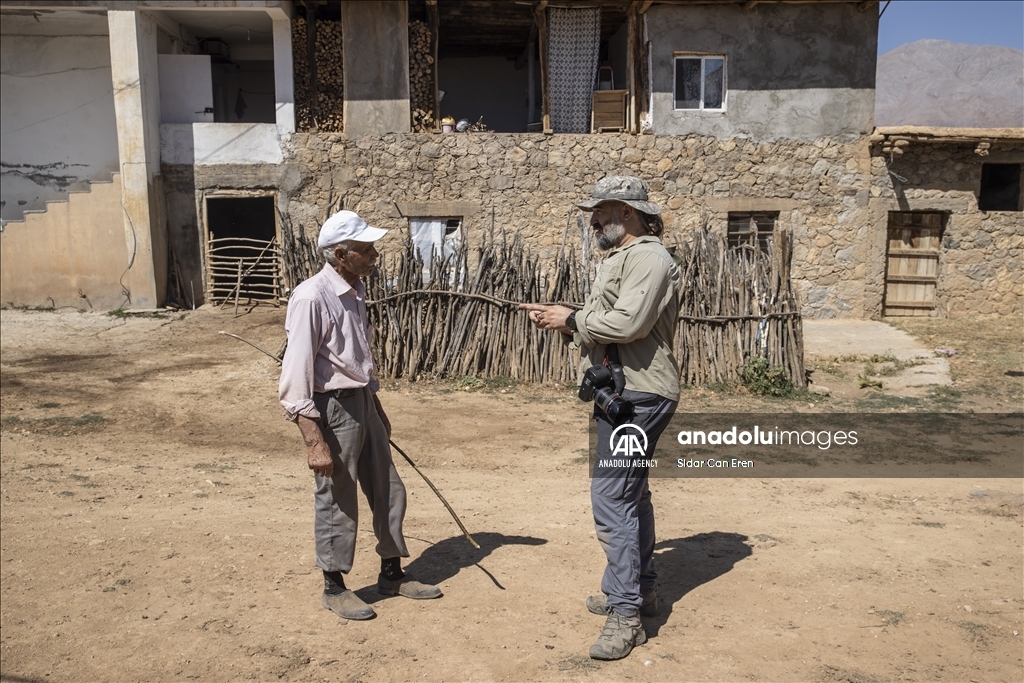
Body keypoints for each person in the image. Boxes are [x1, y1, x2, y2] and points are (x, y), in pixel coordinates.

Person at [520, 176, 680, 661]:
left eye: (601, 213)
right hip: (623, 394)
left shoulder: (650, 259)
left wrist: (571, 319)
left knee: (612, 498)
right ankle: (638, 591)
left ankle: (626, 615)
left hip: (641, 397)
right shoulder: (623, 258)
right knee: (632, 494)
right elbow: (603, 318)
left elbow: (630, 324)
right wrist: (567, 317)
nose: (593, 221)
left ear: (628, 214)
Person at [279, 210, 442, 621]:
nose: (374, 255)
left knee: (389, 489)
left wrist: (377, 408)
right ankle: (334, 587)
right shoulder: (311, 297)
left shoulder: (354, 290)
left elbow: (357, 359)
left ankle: (392, 573)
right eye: (365, 249)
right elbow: (295, 375)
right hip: (332, 410)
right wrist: (314, 441)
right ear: (340, 254)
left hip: (363, 404)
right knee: (337, 499)